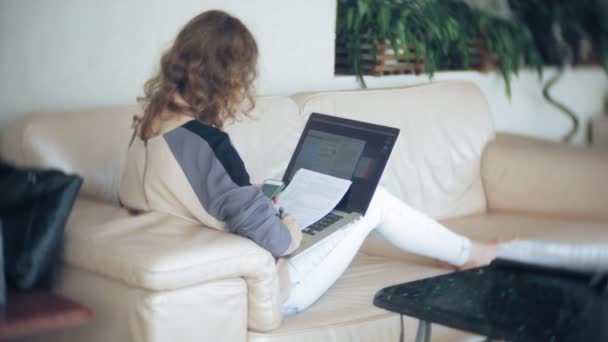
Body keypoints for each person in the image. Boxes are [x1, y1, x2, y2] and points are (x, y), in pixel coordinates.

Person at [119, 10, 498, 316]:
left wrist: (249, 197)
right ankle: (471, 255)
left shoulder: (149, 127)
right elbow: (277, 242)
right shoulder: (207, 142)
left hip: (218, 271)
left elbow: (176, 199)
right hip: (270, 289)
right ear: (228, 77)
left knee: (279, 188)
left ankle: (461, 252)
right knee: (374, 201)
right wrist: (288, 229)